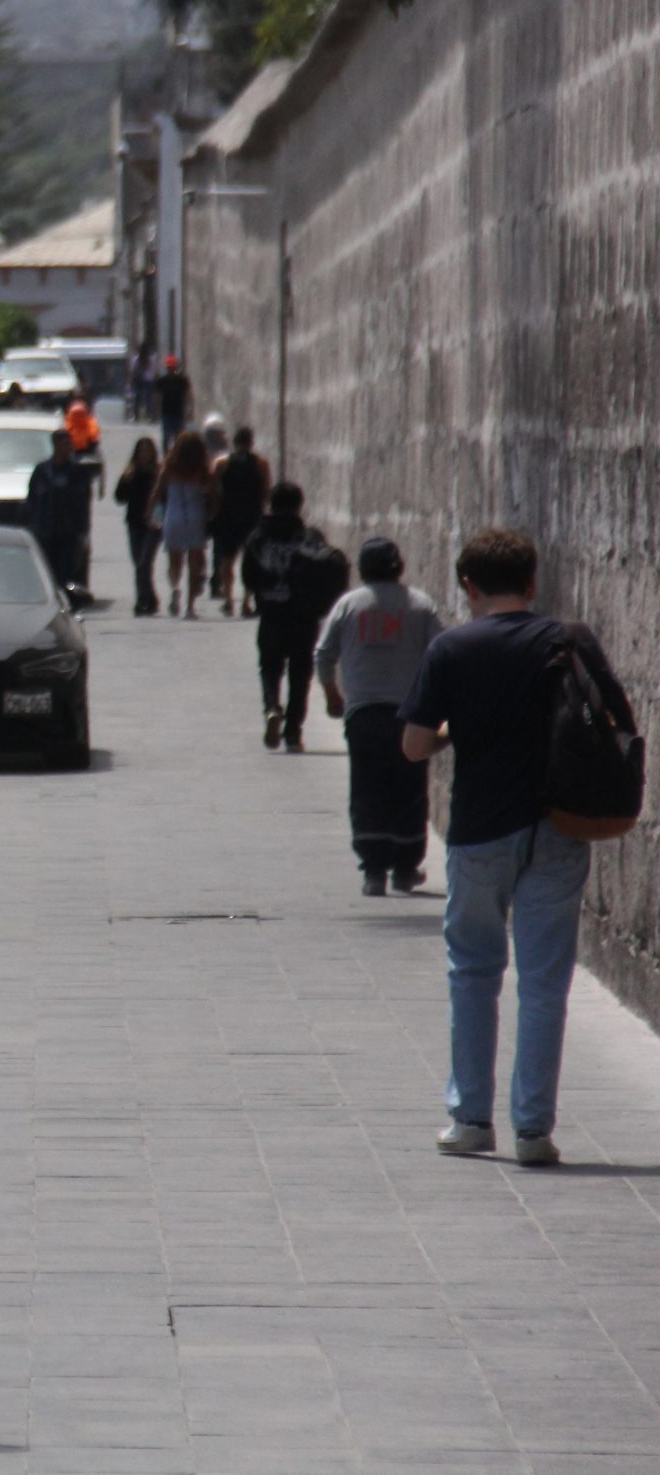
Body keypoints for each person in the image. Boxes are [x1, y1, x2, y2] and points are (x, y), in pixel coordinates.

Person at [400, 528, 632, 1168]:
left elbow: (414, 746)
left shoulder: (452, 648)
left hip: (480, 830)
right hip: (559, 825)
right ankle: (533, 1129)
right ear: (532, 582)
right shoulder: (567, 640)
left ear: (467, 586)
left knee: (473, 971)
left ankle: (470, 1120)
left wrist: (454, 731)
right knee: (544, 981)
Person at [317, 537, 444, 896]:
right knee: (410, 789)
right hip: (410, 715)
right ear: (398, 566)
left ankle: (374, 871)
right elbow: (441, 652)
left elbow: (323, 654)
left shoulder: (349, 604)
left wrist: (332, 694)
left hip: (363, 715)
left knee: (367, 788)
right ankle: (405, 867)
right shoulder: (421, 604)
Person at [239, 482, 338, 752]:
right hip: (303, 616)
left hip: (271, 614)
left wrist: (263, 590)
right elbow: (327, 568)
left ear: (271, 504)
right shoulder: (309, 536)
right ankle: (293, 732)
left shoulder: (258, 538)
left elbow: (247, 576)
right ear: (298, 505)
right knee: (300, 673)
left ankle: (272, 707)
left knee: (270, 667)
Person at [152, 430, 214, 618]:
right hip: (195, 516)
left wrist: (149, 514)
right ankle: (190, 606)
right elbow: (213, 493)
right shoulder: (202, 470)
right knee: (194, 563)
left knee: (174, 561)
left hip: (174, 516)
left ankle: (175, 588)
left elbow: (156, 493)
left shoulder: (169, 469)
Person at [210, 427, 271, 616]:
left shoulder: (222, 462)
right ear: (251, 443)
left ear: (234, 442)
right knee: (250, 561)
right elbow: (266, 490)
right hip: (252, 516)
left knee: (227, 560)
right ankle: (246, 600)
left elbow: (212, 488)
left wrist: (216, 509)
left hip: (228, 515)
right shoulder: (260, 463)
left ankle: (228, 599)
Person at [25, 429, 94, 591]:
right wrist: (34, 524)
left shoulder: (77, 471)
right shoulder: (42, 471)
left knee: (66, 571)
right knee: (47, 571)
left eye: (69, 443)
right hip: (46, 531)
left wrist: (83, 531)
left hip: (69, 532)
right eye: (65, 443)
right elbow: (32, 500)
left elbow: (84, 502)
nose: (69, 447)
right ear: (56, 444)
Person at [114, 437, 162, 617]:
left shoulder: (158, 472)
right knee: (139, 564)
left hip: (153, 523)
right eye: (141, 451)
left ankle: (142, 600)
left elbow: (166, 496)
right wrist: (126, 481)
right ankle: (151, 598)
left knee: (144, 563)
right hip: (135, 523)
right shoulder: (130, 472)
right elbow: (119, 498)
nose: (144, 454)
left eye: (148, 450)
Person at [64, 395, 103, 498]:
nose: (79, 418)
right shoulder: (69, 426)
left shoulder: (89, 425)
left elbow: (94, 439)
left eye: (81, 415)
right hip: (74, 456)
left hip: (85, 456)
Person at [154, 355, 192, 449]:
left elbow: (188, 395)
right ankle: (166, 454)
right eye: (169, 367)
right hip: (166, 412)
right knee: (166, 437)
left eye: (172, 367)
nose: (171, 369)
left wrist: (190, 409)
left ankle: (177, 454)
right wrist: (156, 410)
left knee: (178, 438)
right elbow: (157, 396)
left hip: (178, 413)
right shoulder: (162, 381)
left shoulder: (181, 380)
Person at [130, 341, 159, 421]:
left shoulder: (135, 359)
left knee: (138, 398)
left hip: (139, 380)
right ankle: (149, 415)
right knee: (148, 398)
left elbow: (132, 370)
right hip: (149, 380)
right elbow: (155, 369)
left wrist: (132, 380)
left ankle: (136, 415)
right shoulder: (152, 358)